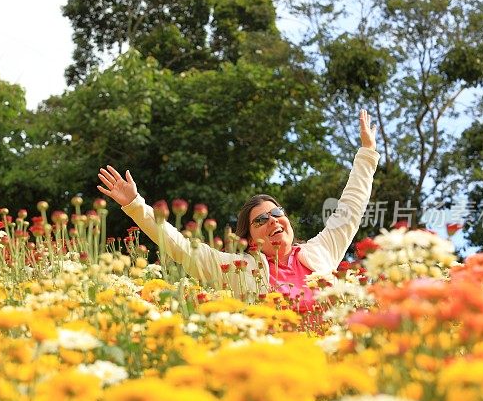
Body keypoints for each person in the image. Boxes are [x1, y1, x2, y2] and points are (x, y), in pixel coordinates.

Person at [97, 109, 380, 310]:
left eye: (277, 213)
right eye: (261, 221)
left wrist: (367, 153)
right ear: (249, 239)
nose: (273, 221)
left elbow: (350, 209)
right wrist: (135, 205)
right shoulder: (236, 269)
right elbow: (179, 246)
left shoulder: (321, 251)